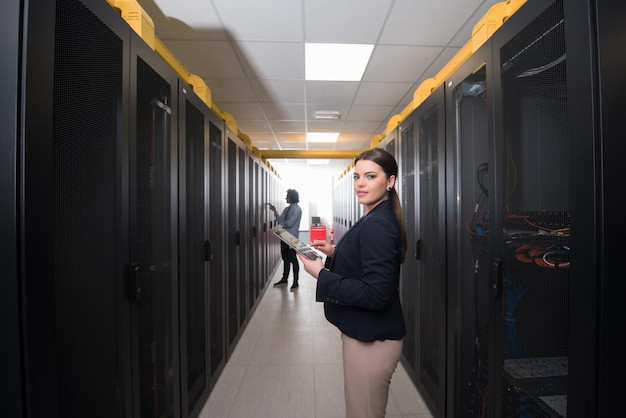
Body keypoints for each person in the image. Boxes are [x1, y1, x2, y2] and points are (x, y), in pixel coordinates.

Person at [298, 148, 408, 418]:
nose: (360, 183)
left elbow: (375, 294)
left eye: (370, 176)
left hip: (373, 342)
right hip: (366, 335)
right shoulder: (375, 214)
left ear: (390, 181)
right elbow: (368, 262)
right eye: (357, 176)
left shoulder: (378, 223)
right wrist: (334, 251)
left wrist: (321, 274)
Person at [268, 188, 303, 290]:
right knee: (285, 259)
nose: (286, 198)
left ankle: (295, 282)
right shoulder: (287, 209)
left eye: (287, 196)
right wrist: (274, 210)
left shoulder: (297, 209)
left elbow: (289, 223)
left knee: (293, 259)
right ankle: (284, 279)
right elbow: (280, 219)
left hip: (292, 238)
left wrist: (283, 223)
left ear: (291, 197)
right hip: (284, 235)